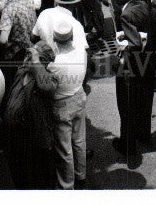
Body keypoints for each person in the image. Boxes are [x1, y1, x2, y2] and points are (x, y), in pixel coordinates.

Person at [113, 0, 154, 164]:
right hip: (149, 62)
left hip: (131, 66)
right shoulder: (144, 6)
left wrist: (123, 45)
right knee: (145, 99)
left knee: (127, 105)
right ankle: (144, 135)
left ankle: (128, 146)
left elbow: (135, 43)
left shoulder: (126, 16)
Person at [49, 18, 89, 188]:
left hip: (62, 103)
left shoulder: (56, 64)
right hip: (79, 96)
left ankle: (67, 184)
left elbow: (46, 84)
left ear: (55, 39)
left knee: (65, 148)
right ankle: (81, 175)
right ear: (72, 36)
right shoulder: (81, 52)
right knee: (79, 141)